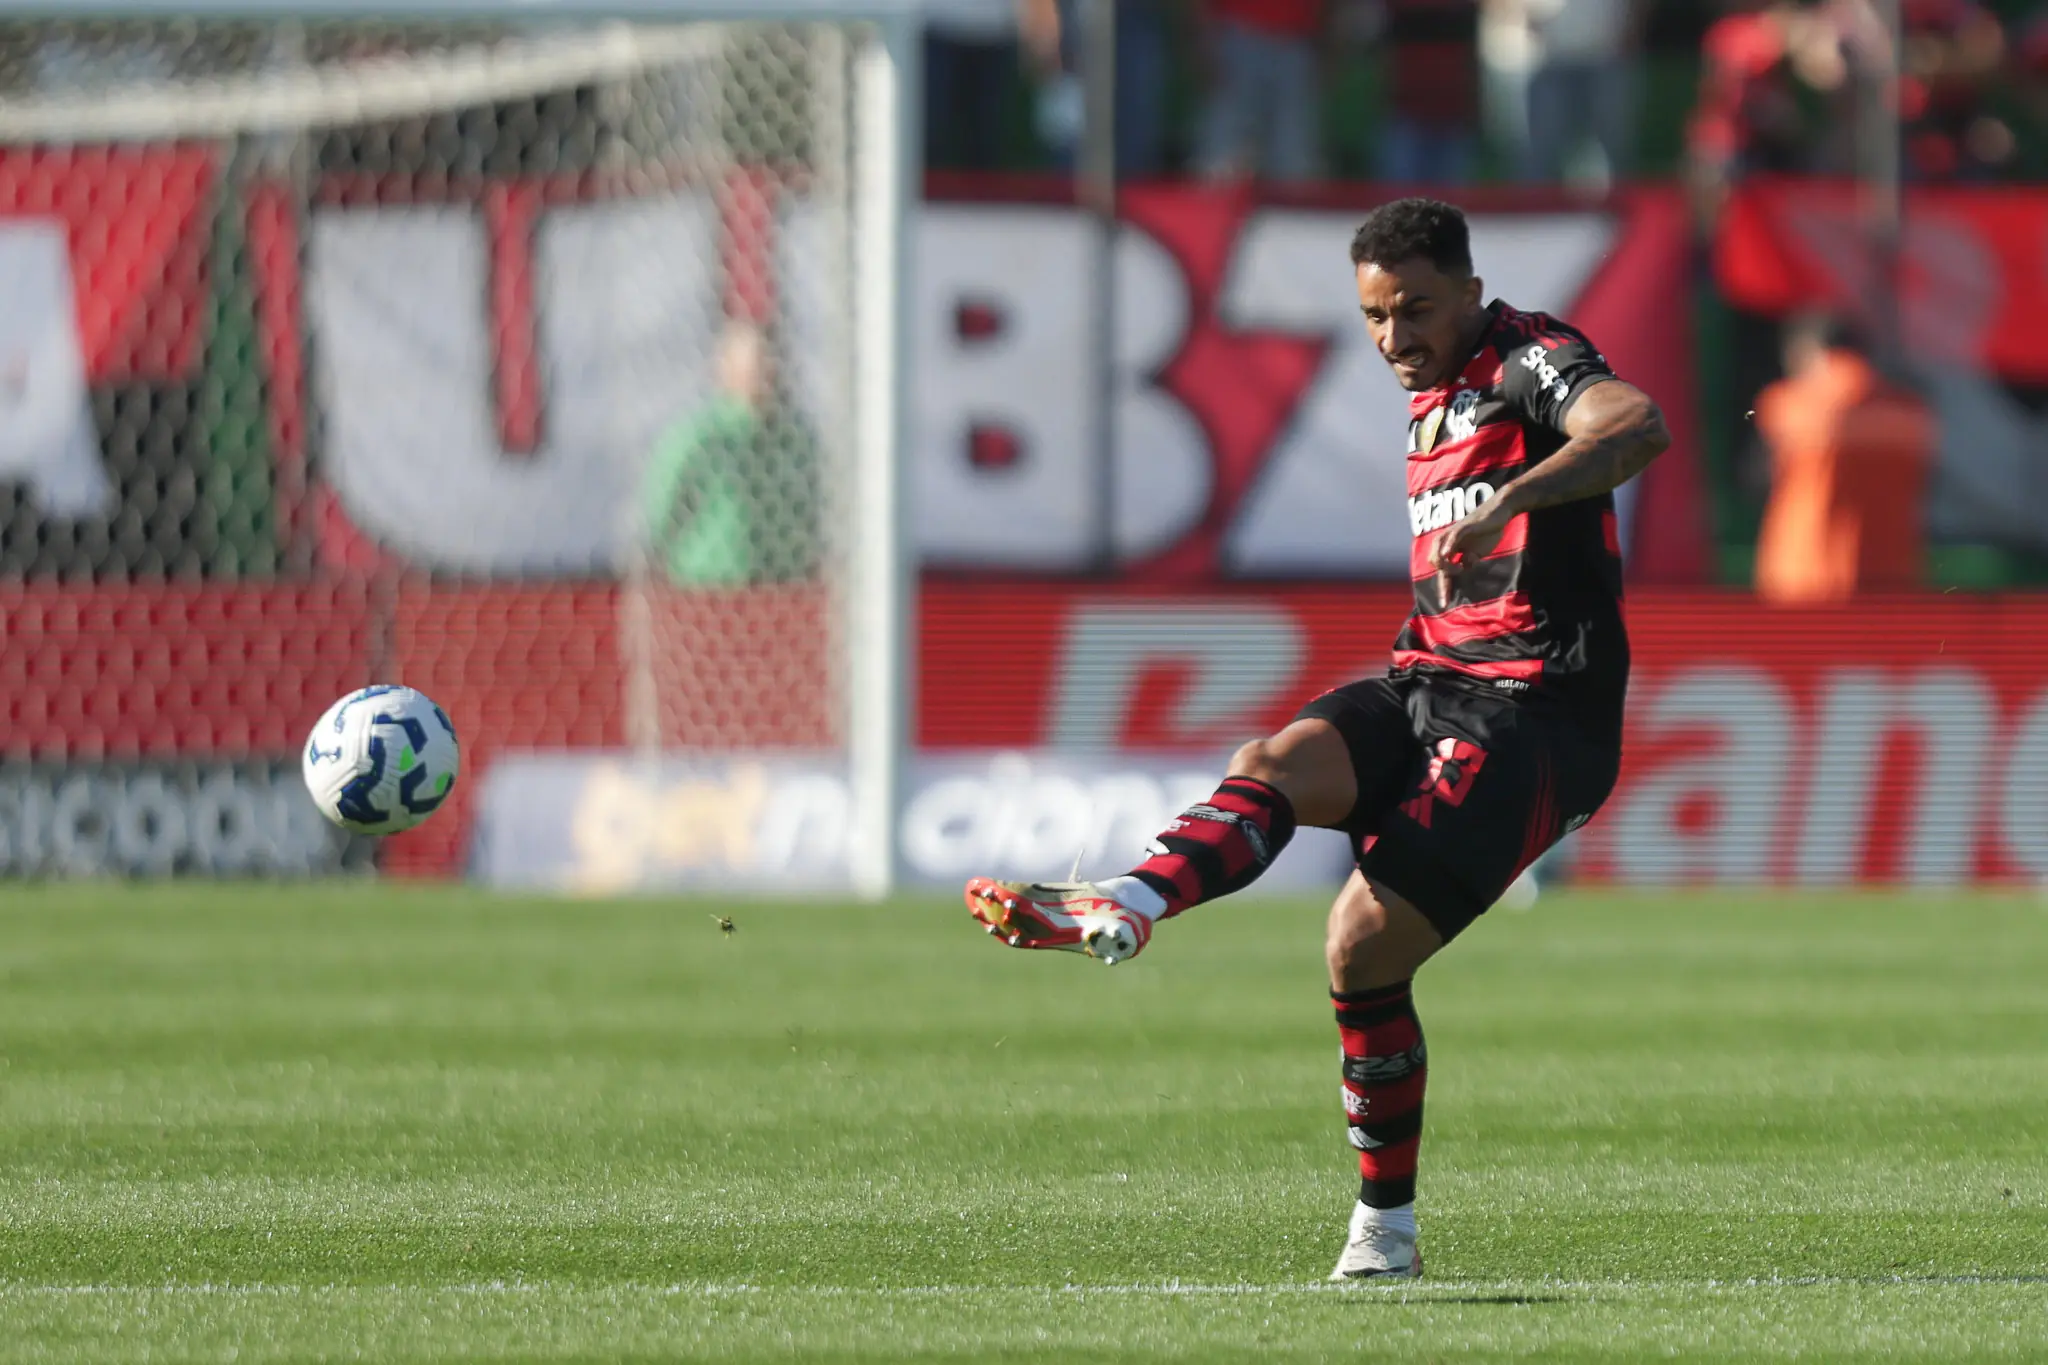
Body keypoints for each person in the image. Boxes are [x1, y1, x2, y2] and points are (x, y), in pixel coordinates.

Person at [964, 199, 1670, 1281]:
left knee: (1357, 946)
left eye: (1416, 310)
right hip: (1428, 676)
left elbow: (1633, 426)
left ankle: (1383, 1228)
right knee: (1271, 764)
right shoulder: (1428, 392)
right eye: (1375, 317)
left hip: (1540, 715)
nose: (1394, 339)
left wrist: (1512, 501)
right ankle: (1127, 903)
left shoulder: (1525, 357)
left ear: (1470, 293)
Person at [1751, 314, 1934, 604]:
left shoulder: (1789, 404)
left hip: (1804, 573)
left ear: (1808, 351)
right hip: (1892, 571)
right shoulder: (1911, 412)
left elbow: (1759, 472)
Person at [637, 322, 820, 588]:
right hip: (710, 589)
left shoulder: (797, 439)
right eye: (755, 362)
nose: (766, 370)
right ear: (724, 367)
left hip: (787, 587)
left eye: (771, 359)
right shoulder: (698, 438)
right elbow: (662, 510)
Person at [1479, 0, 1645, 189]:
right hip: (1544, 59)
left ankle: (1616, 213)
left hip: (1608, 55)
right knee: (1537, 156)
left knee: (1614, 152)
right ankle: (1534, 212)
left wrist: (1633, 26)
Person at [1194, 0, 1328, 182]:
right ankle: (1211, 207)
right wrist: (1205, 44)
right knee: (1221, 154)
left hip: (1295, 43)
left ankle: (1291, 207)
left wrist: (1328, 47)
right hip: (1237, 42)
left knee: (1294, 158)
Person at [1375, 0, 1482, 185]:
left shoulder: (1463, 6)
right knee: (1400, 199)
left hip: (1452, 114)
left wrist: (1476, 107)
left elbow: (1471, 54)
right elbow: (1387, 55)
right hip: (1407, 112)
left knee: (1450, 201)